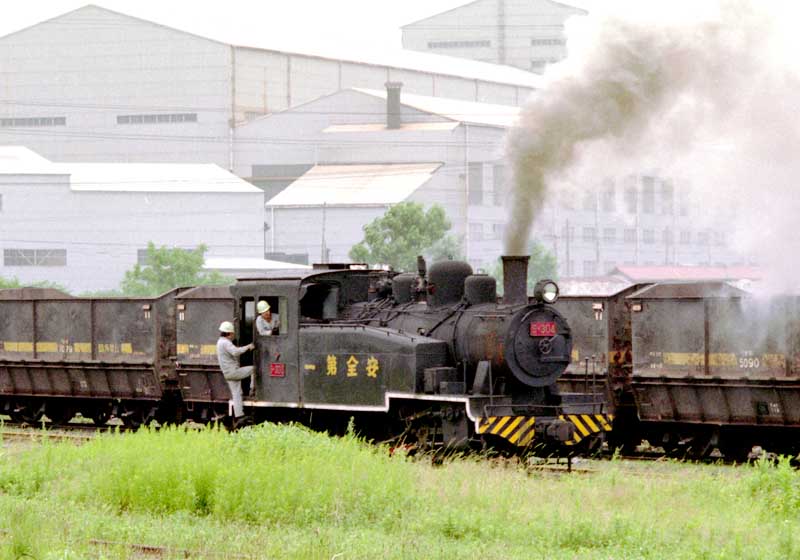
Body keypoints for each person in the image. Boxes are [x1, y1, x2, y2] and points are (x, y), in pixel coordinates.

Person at [216, 321, 254, 425]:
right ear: (229, 333)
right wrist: (248, 347)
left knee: (237, 393)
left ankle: (239, 416)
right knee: (254, 369)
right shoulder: (226, 343)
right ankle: (252, 389)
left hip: (227, 373)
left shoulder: (219, 342)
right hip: (233, 372)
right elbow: (235, 352)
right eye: (232, 333)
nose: (233, 335)